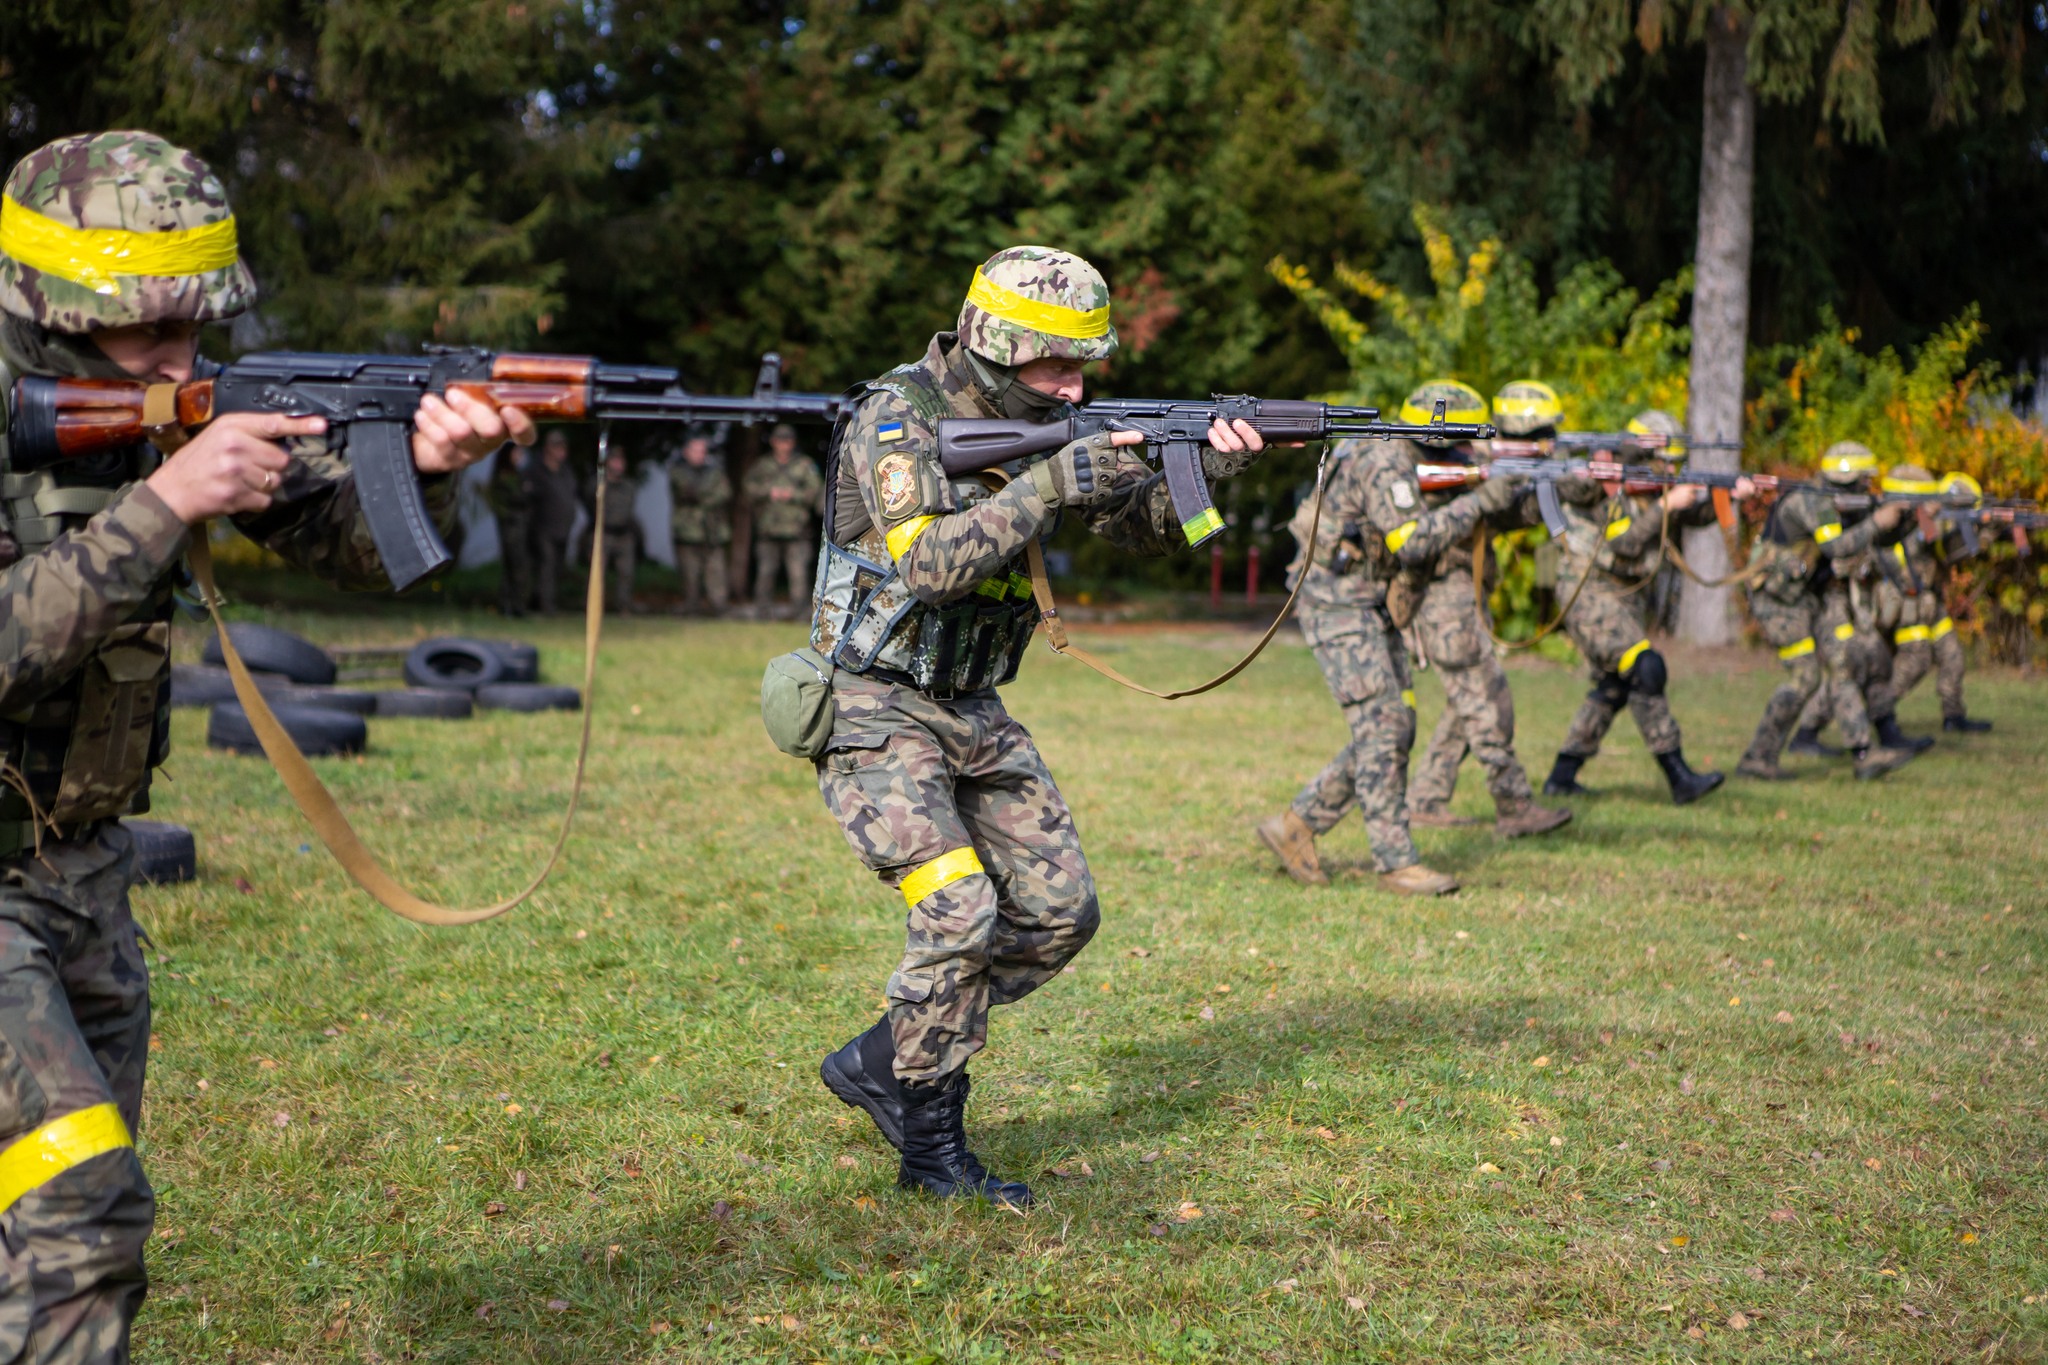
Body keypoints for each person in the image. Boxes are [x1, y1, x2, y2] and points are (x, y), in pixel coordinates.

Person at [0, 131, 534, 1360]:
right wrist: (165, 503)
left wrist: (429, 462)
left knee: (60, 1227)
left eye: (196, 332)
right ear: (51, 314)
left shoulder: (170, 408)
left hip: (82, 870)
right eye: (148, 336)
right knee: (82, 1212)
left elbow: (351, 540)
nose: (182, 364)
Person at [811, 246, 1268, 1207]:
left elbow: (1153, 533)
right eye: (1056, 367)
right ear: (994, 344)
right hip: (873, 706)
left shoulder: (1050, 423)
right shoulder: (898, 418)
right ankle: (932, 1150)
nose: (1075, 386)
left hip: (973, 706)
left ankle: (885, 1057)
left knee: (1063, 913)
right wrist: (1053, 482)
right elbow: (930, 565)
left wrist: (1204, 472)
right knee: (960, 912)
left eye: (1084, 368)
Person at [1254, 382, 1534, 896]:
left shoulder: (1416, 457)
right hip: (1336, 601)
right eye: (1459, 442)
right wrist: (1481, 502)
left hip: (1369, 600)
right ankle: (1396, 863)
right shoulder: (1382, 460)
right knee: (1385, 725)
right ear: (1434, 435)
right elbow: (1412, 542)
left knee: (1394, 722)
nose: (1466, 453)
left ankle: (1296, 826)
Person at [1539, 409, 1749, 804]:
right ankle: (1679, 777)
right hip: (1588, 591)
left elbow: (1692, 515)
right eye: (1662, 460)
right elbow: (1626, 543)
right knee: (1646, 667)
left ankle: (1561, 777)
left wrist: (1730, 495)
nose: (1668, 468)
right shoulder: (1605, 482)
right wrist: (1666, 506)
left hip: (1622, 596)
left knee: (1616, 685)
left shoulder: (1653, 490)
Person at [1401, 381, 1571, 836]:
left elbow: (1504, 514)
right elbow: (1434, 522)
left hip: (1463, 590)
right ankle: (1513, 805)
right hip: (1442, 592)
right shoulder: (1434, 468)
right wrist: (1489, 484)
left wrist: (1543, 489)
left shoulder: (1471, 467)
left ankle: (1425, 797)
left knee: (1466, 702)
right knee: (1484, 697)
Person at [1735, 441, 1918, 782]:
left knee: (1842, 664)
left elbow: (1876, 542)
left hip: (1812, 595)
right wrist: (1877, 521)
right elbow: (1835, 548)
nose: (1869, 487)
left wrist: (1901, 520)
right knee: (1805, 678)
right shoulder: (1812, 499)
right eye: (1865, 480)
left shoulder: (1842, 503)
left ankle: (1864, 754)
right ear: (1848, 481)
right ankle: (1758, 758)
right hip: (1777, 601)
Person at [1865, 465, 1991, 735]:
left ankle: (1953, 716)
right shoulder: (1902, 523)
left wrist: (1984, 529)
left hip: (1932, 601)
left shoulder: (1931, 520)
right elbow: (1906, 547)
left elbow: (1949, 554)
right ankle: (1874, 713)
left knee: (1953, 657)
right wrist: (1930, 521)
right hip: (1910, 602)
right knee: (1913, 664)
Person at [744, 423, 823, 614]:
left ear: (793, 443)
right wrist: (768, 492)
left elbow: (816, 491)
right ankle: (762, 610)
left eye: (787, 441)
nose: (783, 445)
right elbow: (748, 487)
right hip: (768, 528)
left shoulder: (804, 465)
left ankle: (800, 611)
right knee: (766, 571)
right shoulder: (763, 465)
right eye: (780, 441)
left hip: (797, 529)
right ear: (773, 442)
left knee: (798, 573)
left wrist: (792, 494)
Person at [669, 429, 732, 614]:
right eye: (695, 450)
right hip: (688, 531)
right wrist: (709, 493)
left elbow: (724, 493)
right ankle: (691, 608)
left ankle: (719, 608)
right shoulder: (678, 471)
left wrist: (707, 496)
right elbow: (688, 491)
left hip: (713, 531)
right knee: (690, 573)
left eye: (703, 451)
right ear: (686, 452)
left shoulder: (715, 471)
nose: (700, 455)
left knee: (716, 572)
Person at [528, 429, 579, 614]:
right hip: (543, 529)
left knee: (556, 568)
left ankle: (541, 601)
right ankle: (546, 606)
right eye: (557, 447)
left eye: (563, 447)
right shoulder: (536, 470)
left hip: (563, 529)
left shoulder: (566, 471)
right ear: (548, 448)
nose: (561, 451)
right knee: (546, 567)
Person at [584, 447, 640, 614]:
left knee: (626, 573)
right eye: (615, 461)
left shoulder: (628, 486)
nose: (619, 465)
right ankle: (593, 608)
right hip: (603, 533)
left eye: (621, 461)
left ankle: (623, 607)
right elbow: (588, 503)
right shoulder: (597, 484)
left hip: (623, 534)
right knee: (597, 573)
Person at [487, 441, 535, 617]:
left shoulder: (517, 475)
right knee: (516, 567)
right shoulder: (505, 477)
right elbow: (511, 501)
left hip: (518, 527)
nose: (519, 457)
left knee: (516, 567)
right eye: (516, 453)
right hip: (511, 528)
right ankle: (513, 606)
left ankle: (514, 605)